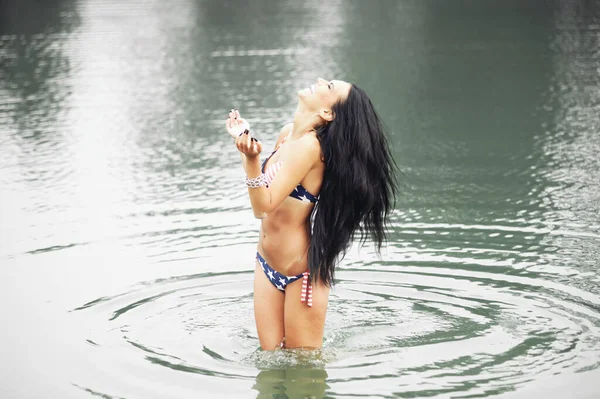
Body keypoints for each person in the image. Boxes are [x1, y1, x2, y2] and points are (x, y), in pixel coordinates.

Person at [225, 78, 397, 350]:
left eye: (328, 87)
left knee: (305, 375)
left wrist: (251, 160)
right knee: (270, 364)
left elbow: (262, 206)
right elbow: (266, 194)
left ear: (327, 113)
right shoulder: (288, 134)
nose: (319, 81)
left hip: (301, 274)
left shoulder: (311, 148)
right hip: (265, 262)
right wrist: (247, 145)